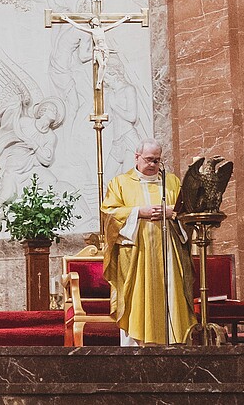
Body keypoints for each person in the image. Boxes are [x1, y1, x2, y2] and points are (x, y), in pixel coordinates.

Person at [101, 141, 193, 345]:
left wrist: (173, 213)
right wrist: (138, 212)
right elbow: (109, 213)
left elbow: (187, 211)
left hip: (169, 251)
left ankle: (174, 343)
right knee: (138, 299)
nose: (153, 164)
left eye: (157, 160)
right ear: (137, 157)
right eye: (149, 159)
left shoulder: (172, 182)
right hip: (137, 255)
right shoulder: (120, 183)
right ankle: (137, 346)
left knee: (171, 295)